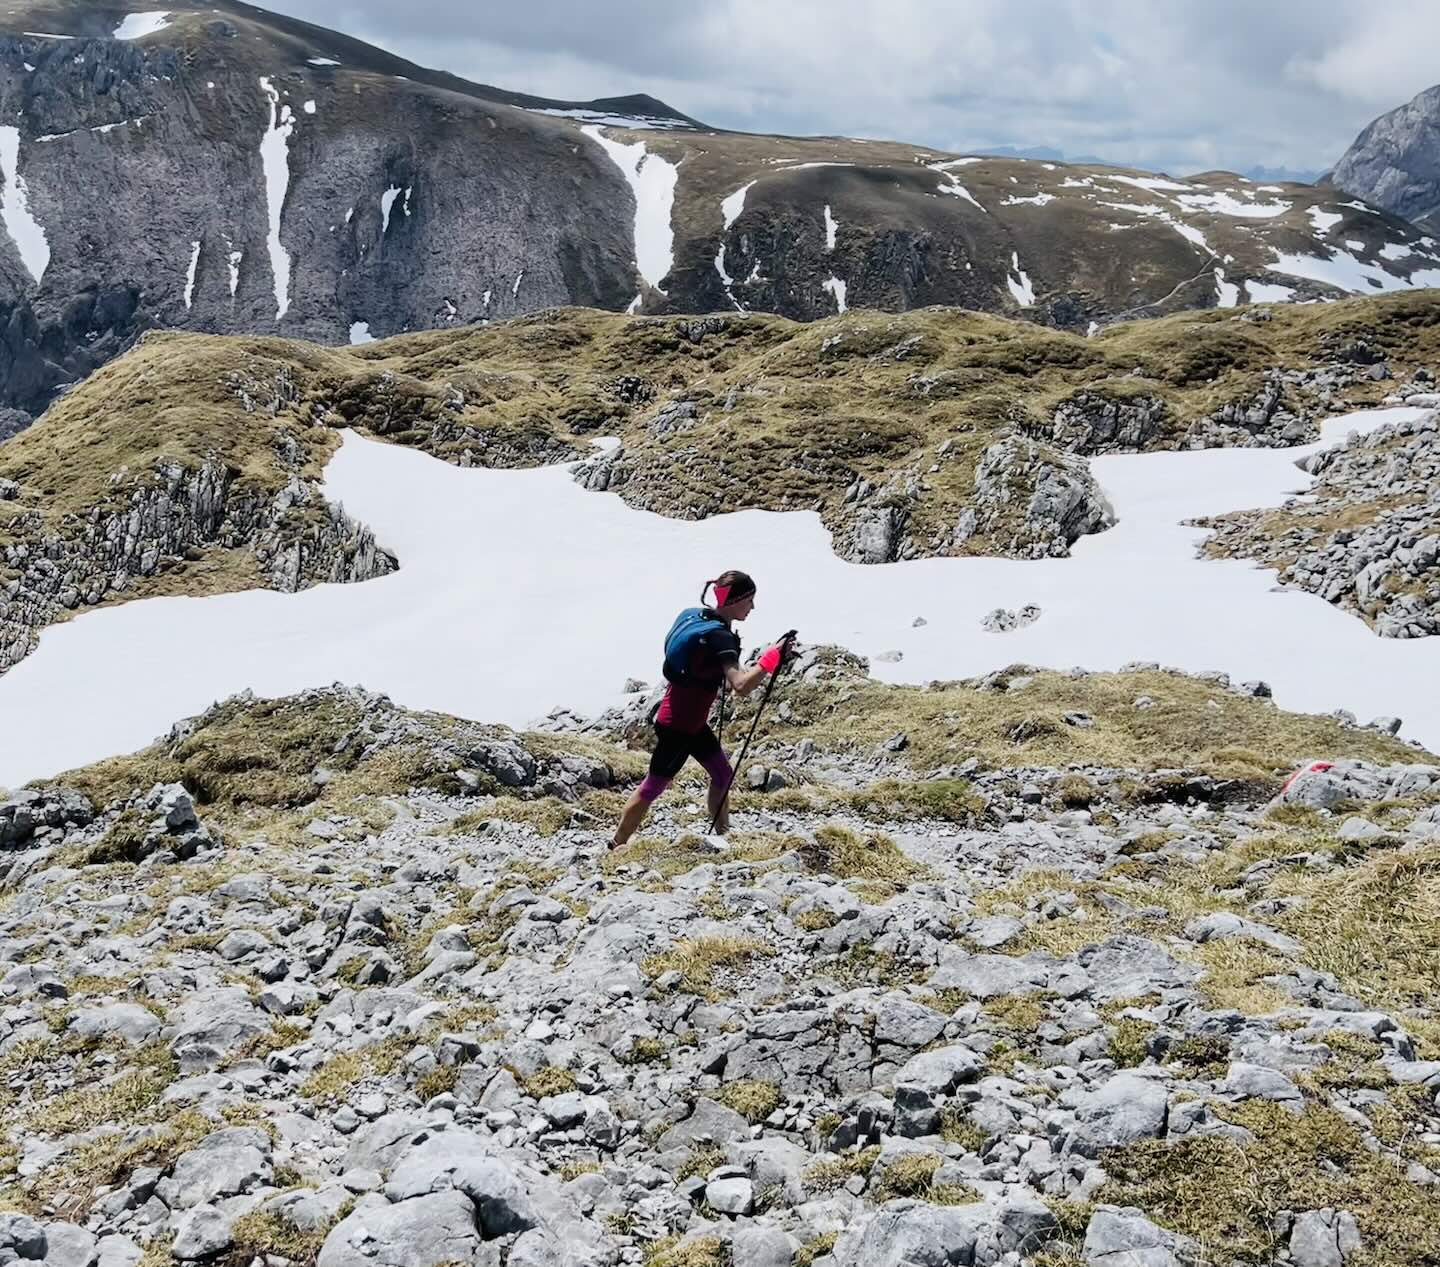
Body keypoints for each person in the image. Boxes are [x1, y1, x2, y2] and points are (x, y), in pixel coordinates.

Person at [610, 569, 791, 849]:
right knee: (652, 787)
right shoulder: (719, 637)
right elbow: (740, 686)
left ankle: (723, 837)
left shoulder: (698, 617)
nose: (752, 607)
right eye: (749, 601)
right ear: (735, 600)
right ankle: (616, 845)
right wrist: (772, 658)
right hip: (679, 727)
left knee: (722, 774)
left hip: (687, 720)